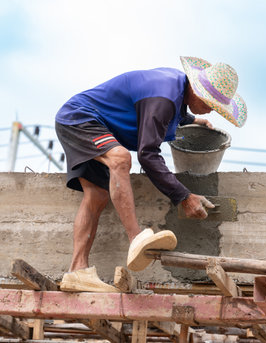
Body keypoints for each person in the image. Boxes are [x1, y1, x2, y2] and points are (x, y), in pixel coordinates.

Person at [54, 56, 247, 292]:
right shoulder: (163, 97)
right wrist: (183, 196)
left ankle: (77, 271)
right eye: (210, 104)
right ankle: (136, 237)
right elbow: (148, 154)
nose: (211, 110)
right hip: (81, 118)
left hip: (94, 123)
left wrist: (195, 119)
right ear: (197, 91)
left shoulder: (174, 86)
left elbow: (168, 113)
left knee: (96, 195)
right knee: (120, 158)